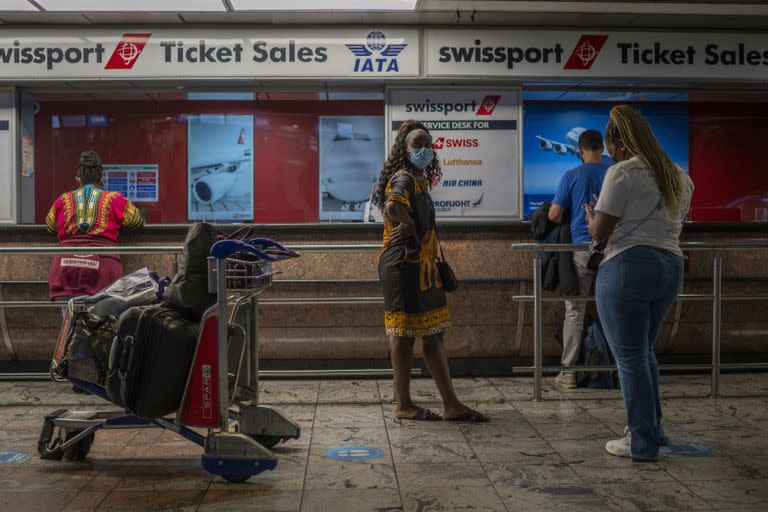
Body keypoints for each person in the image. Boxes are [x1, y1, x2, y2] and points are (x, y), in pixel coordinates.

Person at [586, 105, 693, 461]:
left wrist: (591, 218)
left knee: (629, 357)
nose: (611, 151)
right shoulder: (679, 174)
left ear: (617, 141)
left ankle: (641, 443)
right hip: (670, 266)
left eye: (611, 145)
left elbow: (601, 232)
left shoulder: (621, 172)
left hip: (628, 266)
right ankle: (653, 431)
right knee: (644, 353)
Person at [374, 120, 488, 423]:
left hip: (422, 267)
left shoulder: (419, 178)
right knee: (404, 334)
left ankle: (451, 404)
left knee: (433, 335)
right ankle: (403, 405)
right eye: (417, 145)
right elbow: (392, 206)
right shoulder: (404, 177)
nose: (424, 149)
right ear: (405, 149)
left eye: (427, 144)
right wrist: (407, 224)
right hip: (403, 266)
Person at [548, 130, 610, 390]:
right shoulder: (613, 173)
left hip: (582, 249)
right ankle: (615, 369)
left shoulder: (572, 175)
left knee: (575, 310)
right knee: (611, 310)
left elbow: (553, 215)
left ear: (580, 150)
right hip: (611, 249)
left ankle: (570, 372)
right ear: (602, 147)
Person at [46, 151, 144, 304]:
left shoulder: (62, 200)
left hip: (65, 270)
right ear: (101, 178)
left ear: (78, 179)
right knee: (102, 324)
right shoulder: (116, 199)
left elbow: (51, 226)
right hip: (103, 271)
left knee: (69, 324)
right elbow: (136, 221)